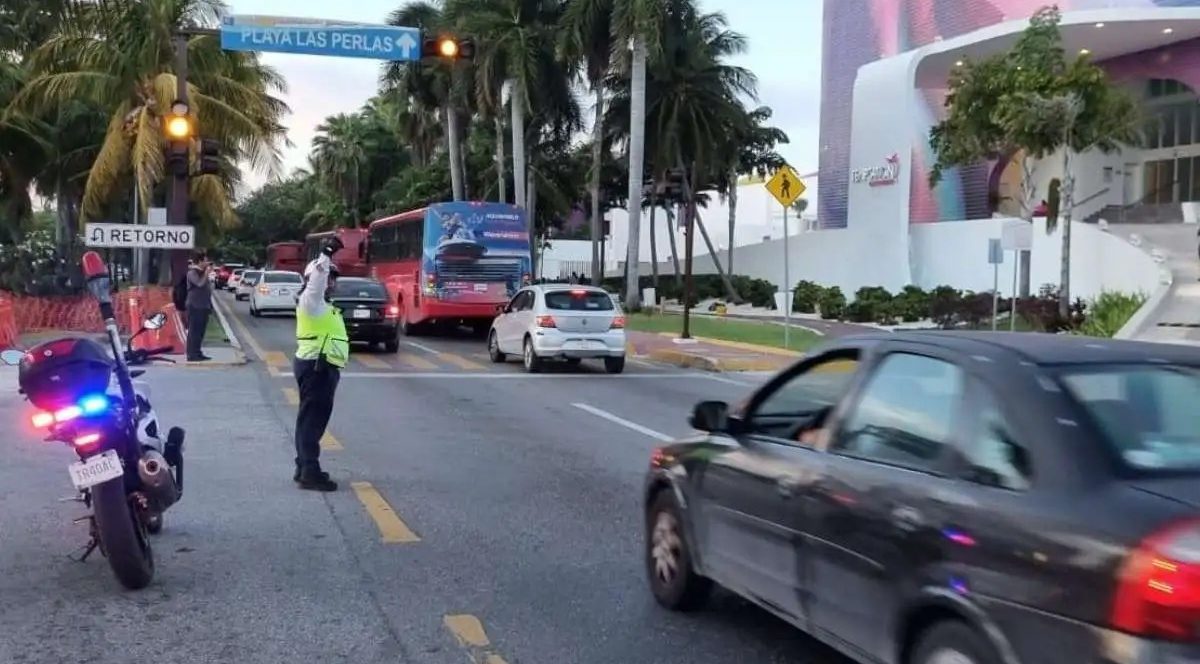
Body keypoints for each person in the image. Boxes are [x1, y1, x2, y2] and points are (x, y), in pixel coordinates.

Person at [292, 237, 348, 491]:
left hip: (322, 366)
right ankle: (309, 472)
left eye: (334, 279)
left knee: (309, 420)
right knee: (312, 422)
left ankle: (303, 466)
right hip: (317, 367)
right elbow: (316, 281)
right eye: (329, 278)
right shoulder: (311, 300)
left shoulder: (322, 305)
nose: (331, 283)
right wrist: (326, 254)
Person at [185, 253, 213, 362]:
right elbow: (199, 284)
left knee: (201, 331)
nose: (207, 263)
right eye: (205, 261)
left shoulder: (202, 272)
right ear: (200, 261)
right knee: (194, 331)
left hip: (204, 305)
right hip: (194, 306)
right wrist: (206, 274)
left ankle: (198, 352)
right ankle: (191, 354)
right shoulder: (192, 272)